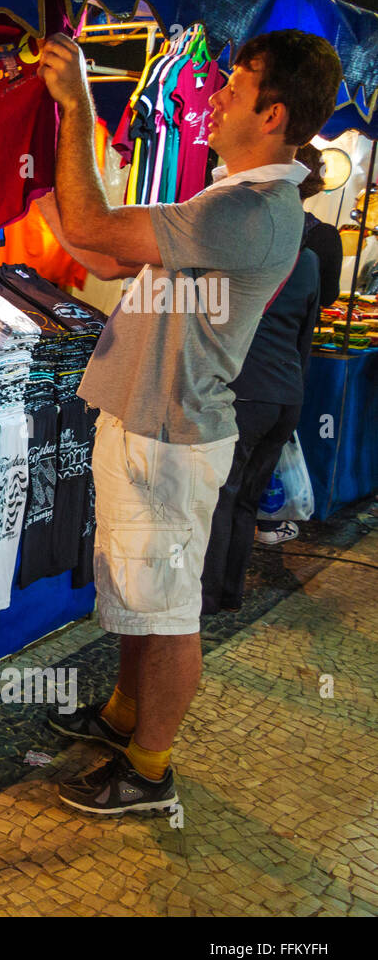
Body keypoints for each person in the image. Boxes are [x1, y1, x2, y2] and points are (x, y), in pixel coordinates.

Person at [35, 29, 343, 815]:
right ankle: (123, 717)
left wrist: (74, 109)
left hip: (170, 439)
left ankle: (149, 769)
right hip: (149, 423)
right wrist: (60, 208)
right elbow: (108, 258)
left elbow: (101, 233)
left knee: (168, 611)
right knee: (142, 596)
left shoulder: (249, 208)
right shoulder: (225, 196)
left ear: (273, 115)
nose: (215, 97)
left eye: (234, 88)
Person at [200, 145, 330, 611]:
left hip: (246, 393)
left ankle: (208, 597)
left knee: (223, 496)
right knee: (247, 500)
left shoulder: (249, 255)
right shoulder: (309, 261)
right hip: (285, 395)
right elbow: (305, 338)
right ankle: (230, 592)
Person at [254, 144, 344, 545]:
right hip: (287, 358)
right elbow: (325, 300)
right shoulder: (322, 238)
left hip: (237, 358)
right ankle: (269, 520)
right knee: (269, 448)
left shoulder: (247, 226)